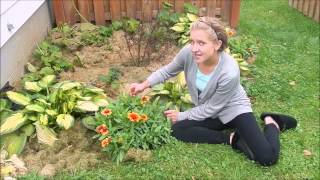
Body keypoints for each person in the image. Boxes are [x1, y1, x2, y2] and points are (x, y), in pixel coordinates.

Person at [129, 17, 297, 166]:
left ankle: (272, 122)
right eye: (192, 41)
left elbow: (211, 108)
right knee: (177, 130)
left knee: (266, 157)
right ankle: (231, 139)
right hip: (211, 112)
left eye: (201, 43)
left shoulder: (229, 71)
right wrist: (144, 84)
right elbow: (168, 71)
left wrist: (180, 115)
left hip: (234, 109)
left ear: (217, 44)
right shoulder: (189, 53)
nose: (194, 48)